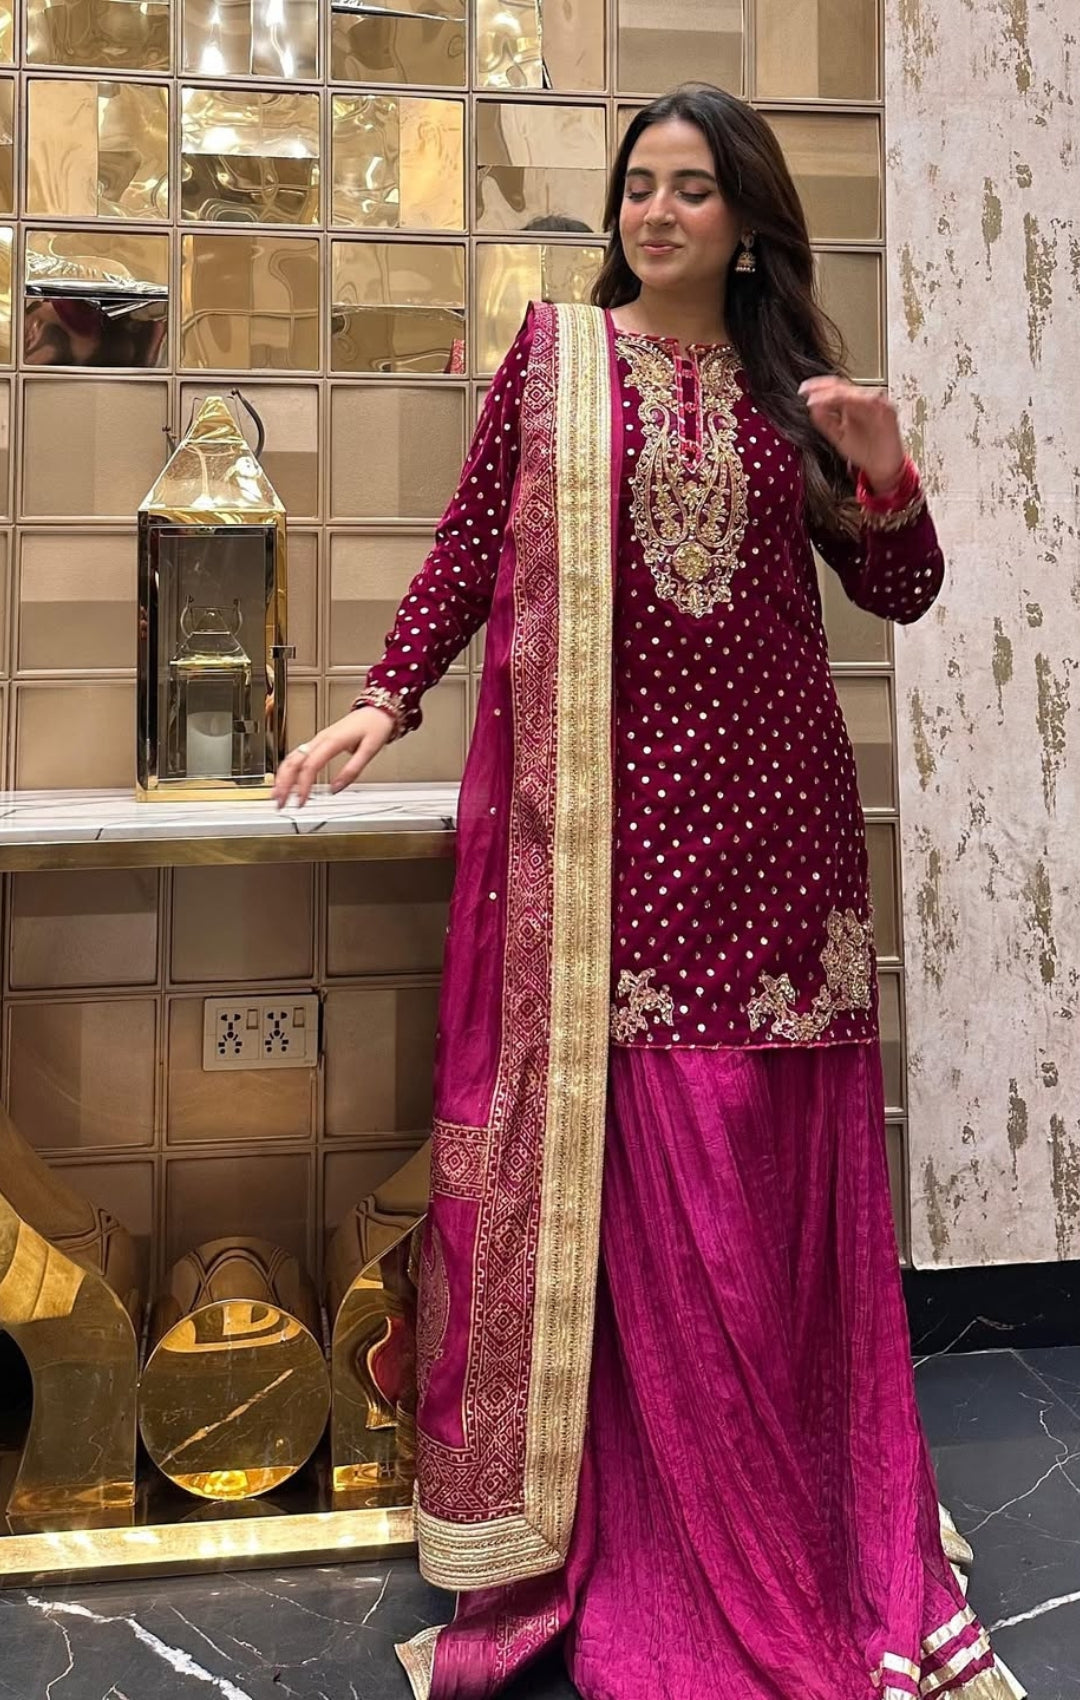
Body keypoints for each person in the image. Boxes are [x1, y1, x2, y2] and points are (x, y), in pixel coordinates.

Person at [275, 83, 1014, 1700]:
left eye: (690, 189)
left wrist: (886, 471)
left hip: (785, 841)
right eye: (639, 186)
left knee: (772, 1188)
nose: (656, 212)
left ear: (746, 222)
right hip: (616, 857)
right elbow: (469, 549)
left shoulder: (789, 392)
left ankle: (797, 1505)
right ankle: (667, 1522)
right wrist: (384, 699)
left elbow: (900, 590)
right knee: (666, 1189)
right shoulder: (554, 363)